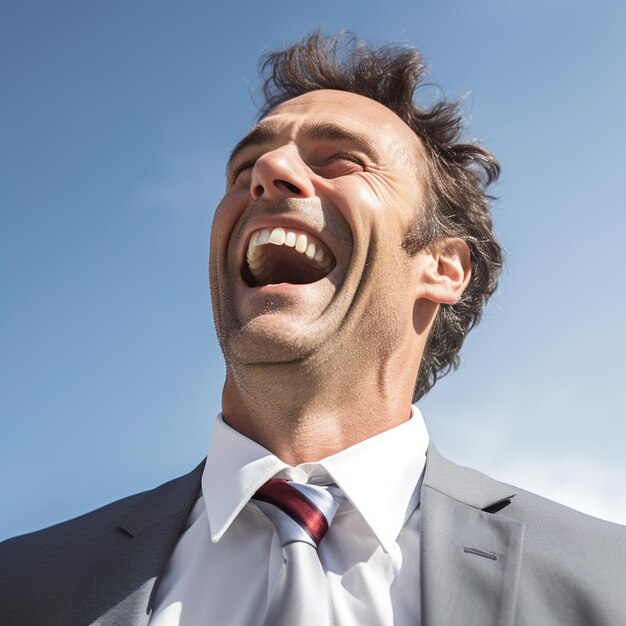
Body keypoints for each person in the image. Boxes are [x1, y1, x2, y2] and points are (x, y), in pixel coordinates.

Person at [1, 31, 625, 626]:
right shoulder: (20, 583)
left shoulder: (608, 579)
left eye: (342, 160)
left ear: (442, 266)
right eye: (243, 169)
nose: (268, 171)